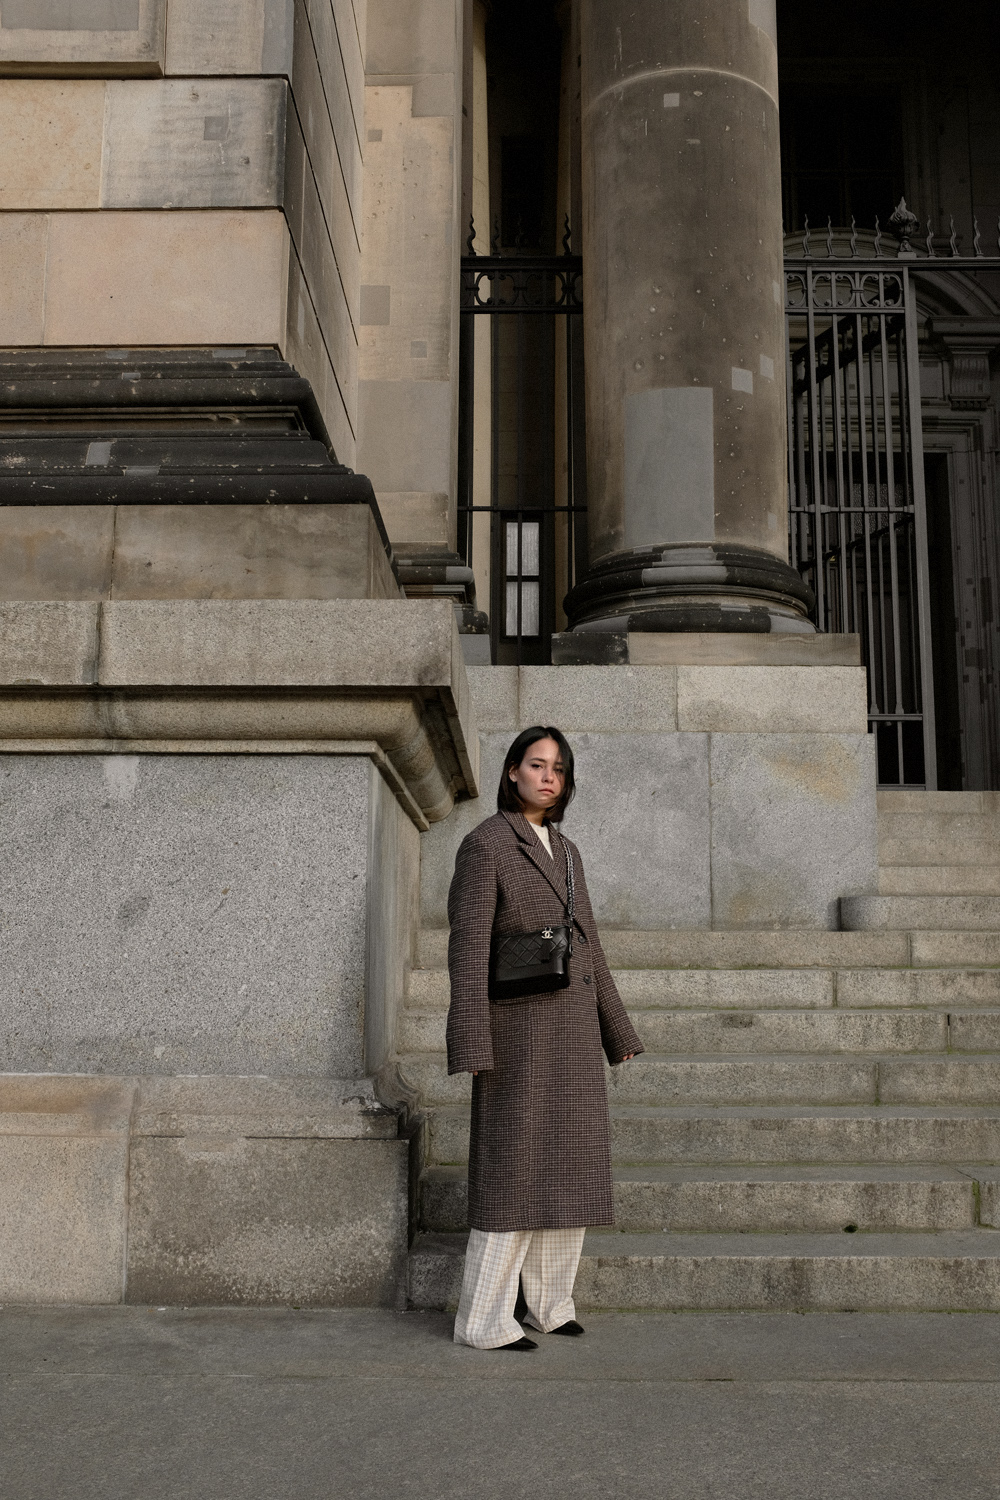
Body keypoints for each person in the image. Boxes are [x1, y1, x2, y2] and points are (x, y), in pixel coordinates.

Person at [446, 725, 644, 1351]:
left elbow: (589, 946)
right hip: (517, 1035)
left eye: (558, 767)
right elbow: (469, 948)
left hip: (576, 1033)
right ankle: (483, 1321)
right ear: (511, 772)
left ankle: (550, 1305)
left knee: (571, 1173)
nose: (548, 776)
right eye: (536, 764)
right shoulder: (486, 846)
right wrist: (472, 1043)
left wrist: (617, 1028)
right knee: (514, 1175)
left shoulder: (567, 851)